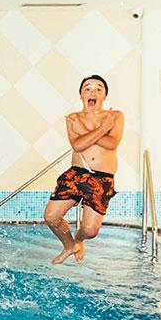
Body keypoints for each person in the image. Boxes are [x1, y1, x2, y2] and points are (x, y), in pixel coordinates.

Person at [43, 75, 124, 264]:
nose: (92, 92)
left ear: (104, 96)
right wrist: (104, 128)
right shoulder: (73, 118)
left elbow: (112, 144)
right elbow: (77, 146)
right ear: (81, 95)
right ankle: (69, 244)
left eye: (98, 89)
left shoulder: (115, 116)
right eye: (87, 88)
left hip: (102, 178)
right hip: (76, 173)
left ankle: (79, 240)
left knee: (90, 231)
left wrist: (84, 131)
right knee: (51, 216)